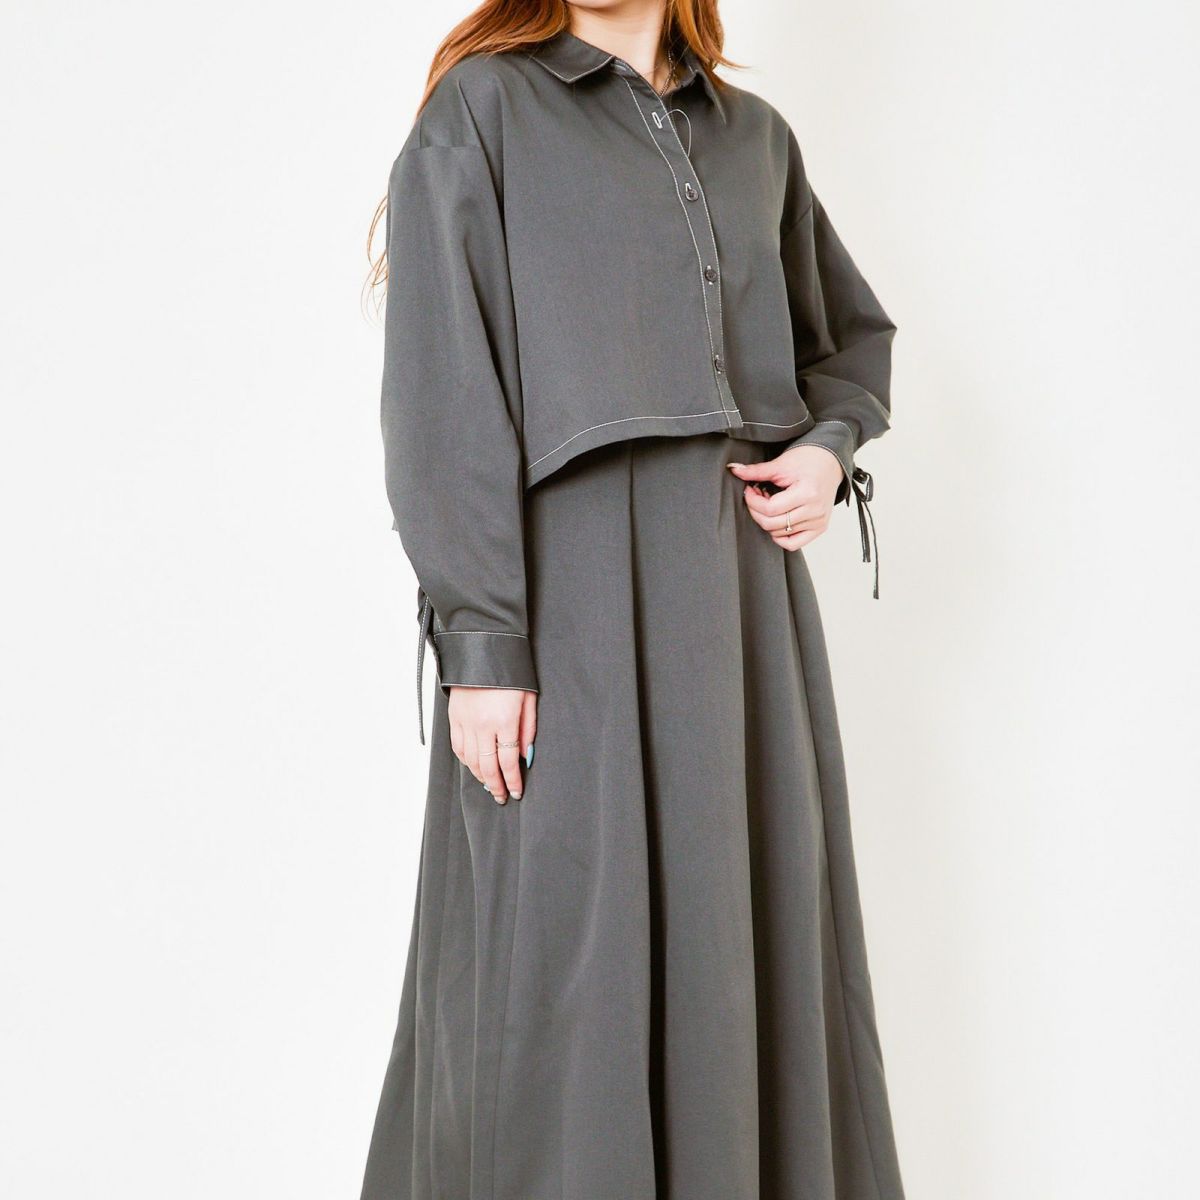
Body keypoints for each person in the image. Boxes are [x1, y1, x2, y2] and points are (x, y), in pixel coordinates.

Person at [360, 1, 906, 1196]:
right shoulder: (482, 110)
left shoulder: (757, 139)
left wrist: (825, 451)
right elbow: (442, 391)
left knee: (737, 942)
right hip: (568, 609)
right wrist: (483, 641)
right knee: (562, 964)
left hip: (742, 611)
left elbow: (847, 345)